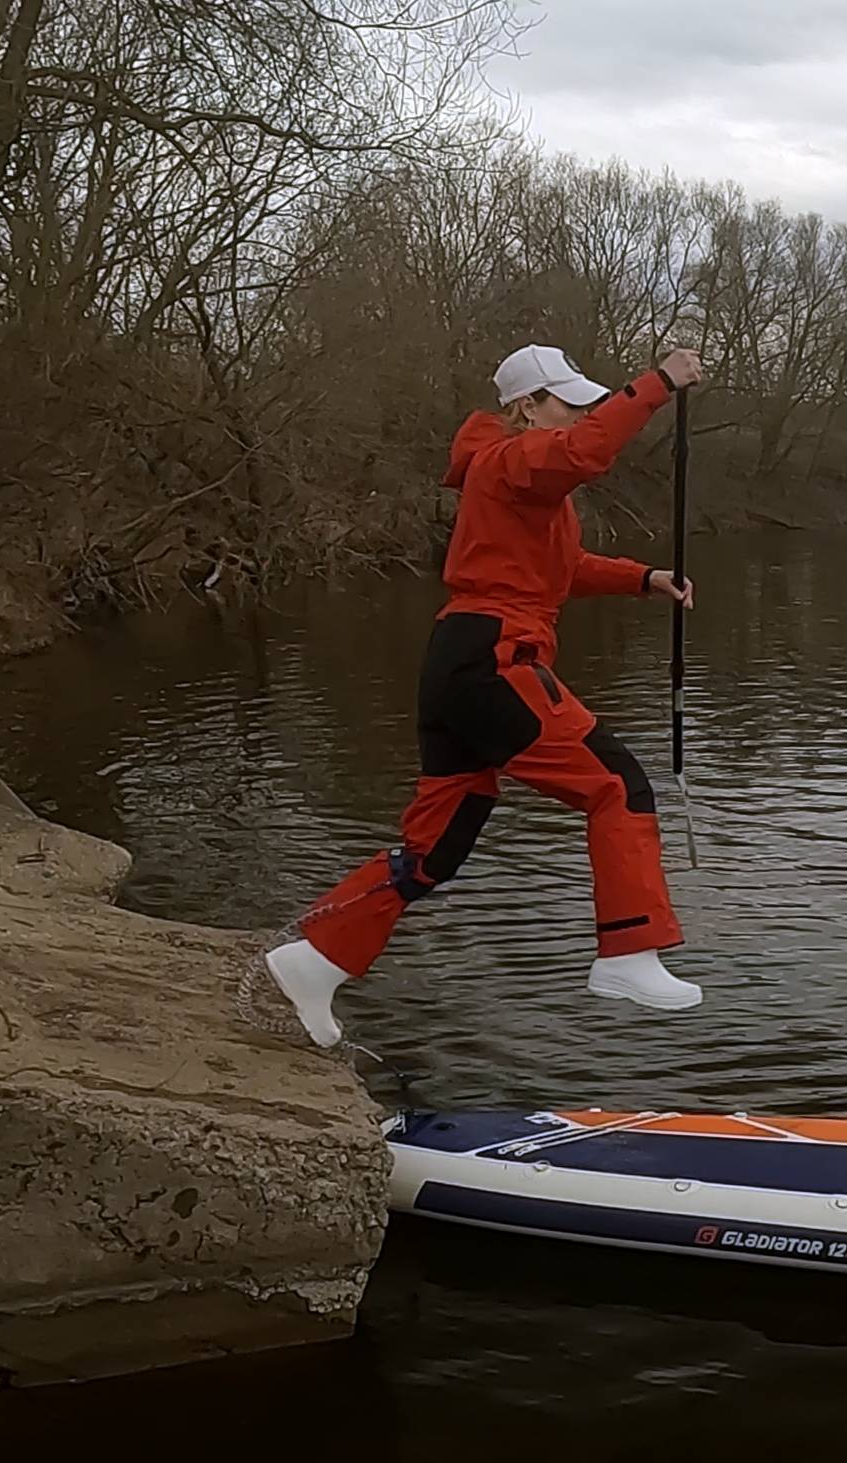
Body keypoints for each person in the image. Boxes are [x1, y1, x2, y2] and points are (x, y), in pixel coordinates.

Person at [262, 342, 708, 1048]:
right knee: (617, 785)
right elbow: (586, 453)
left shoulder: (521, 485)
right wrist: (655, 385)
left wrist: (642, 576)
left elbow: (561, 567)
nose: (578, 416)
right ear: (527, 406)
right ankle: (627, 952)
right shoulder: (510, 459)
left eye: (582, 405)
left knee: (436, 848)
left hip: (460, 660)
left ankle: (311, 962)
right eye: (566, 403)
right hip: (493, 657)